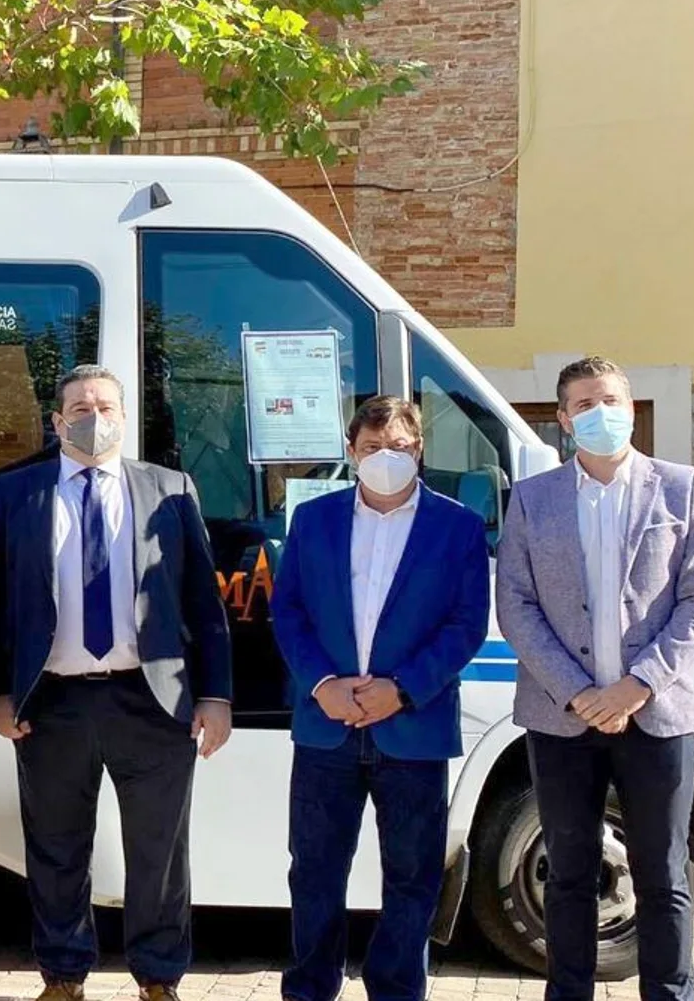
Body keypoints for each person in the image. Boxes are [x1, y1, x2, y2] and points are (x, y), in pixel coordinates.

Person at [0, 364, 234, 1001]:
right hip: (52, 700)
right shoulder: (16, 493)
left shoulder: (170, 489)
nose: (95, 418)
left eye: (107, 407)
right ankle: (63, 975)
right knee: (57, 848)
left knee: (159, 852)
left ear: (124, 417)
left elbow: (203, 600)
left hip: (153, 700)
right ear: (57, 422)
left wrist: (216, 694)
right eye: (81, 408)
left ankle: (158, 978)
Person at [496, 356, 694, 1001]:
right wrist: (577, 691)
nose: (603, 414)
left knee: (663, 876)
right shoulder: (533, 498)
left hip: (657, 715)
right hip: (560, 717)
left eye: (613, 401)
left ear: (631, 408)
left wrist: (637, 686)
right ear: (565, 420)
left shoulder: (681, 487)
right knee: (568, 876)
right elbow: (515, 603)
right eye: (586, 405)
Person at [269, 396, 490, 1001]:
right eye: (371, 448)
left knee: (413, 878)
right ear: (351, 451)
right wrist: (323, 685)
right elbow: (288, 612)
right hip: (326, 728)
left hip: (412, 728)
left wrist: (403, 689)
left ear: (418, 449)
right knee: (313, 873)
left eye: (397, 447)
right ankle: (310, 987)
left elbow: (466, 625)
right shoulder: (313, 522)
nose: (384, 458)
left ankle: (395, 989)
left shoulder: (459, 527)